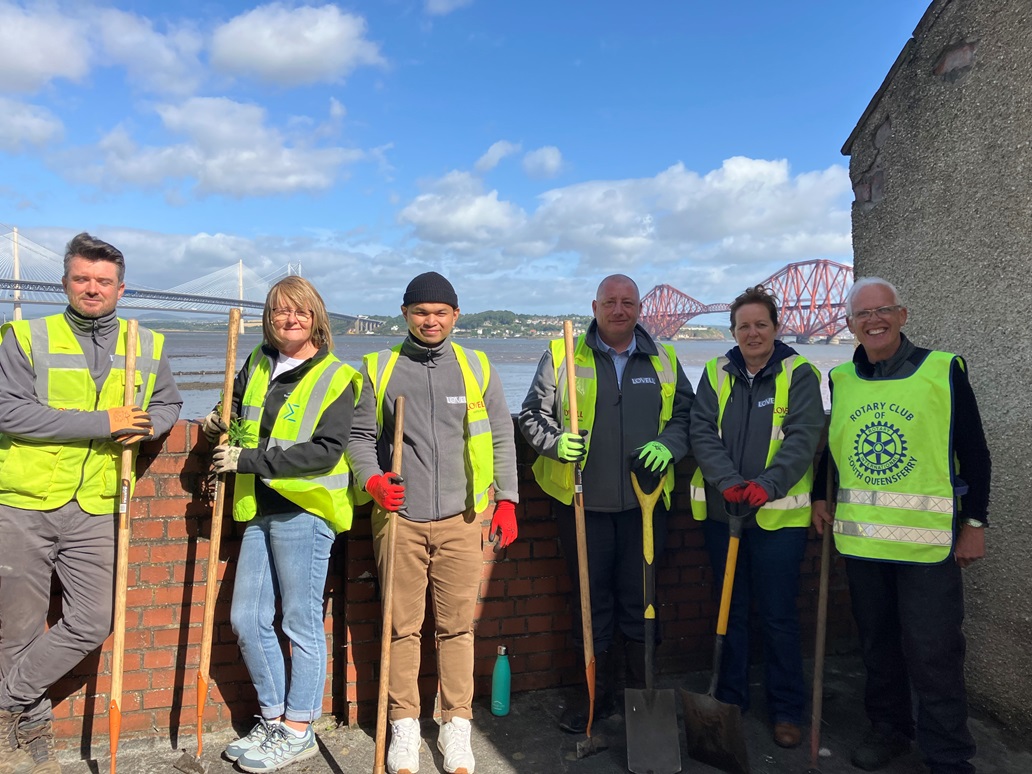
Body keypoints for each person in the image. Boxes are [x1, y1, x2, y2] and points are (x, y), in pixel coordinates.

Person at [0, 232, 182, 773]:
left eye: (103, 281)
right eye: (82, 278)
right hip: (24, 502)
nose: (92, 288)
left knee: (94, 618)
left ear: (121, 289)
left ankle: (6, 700)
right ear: (64, 283)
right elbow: (9, 412)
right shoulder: (25, 335)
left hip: (98, 504)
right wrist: (105, 423)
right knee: (19, 628)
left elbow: (169, 403)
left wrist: (146, 428)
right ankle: (25, 736)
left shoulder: (146, 343)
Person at [812, 277, 990, 774]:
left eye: (883, 310)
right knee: (878, 645)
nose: (874, 320)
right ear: (850, 325)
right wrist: (817, 497)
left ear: (902, 315)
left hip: (928, 545)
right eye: (862, 314)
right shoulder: (842, 379)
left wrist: (975, 522)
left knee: (934, 652)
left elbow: (974, 451)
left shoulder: (942, 370)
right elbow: (835, 450)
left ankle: (949, 755)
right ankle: (889, 729)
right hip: (863, 540)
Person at [347, 271, 519, 774]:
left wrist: (506, 500)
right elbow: (359, 438)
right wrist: (374, 481)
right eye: (421, 312)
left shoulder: (476, 365)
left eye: (440, 312)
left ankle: (455, 725)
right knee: (401, 627)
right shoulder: (378, 367)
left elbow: (503, 437)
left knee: (457, 627)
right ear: (404, 315)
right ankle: (403, 725)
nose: (431, 320)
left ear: (455, 316)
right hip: (398, 518)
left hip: (463, 518)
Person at [519, 273, 693, 733]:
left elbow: (686, 417)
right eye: (611, 302)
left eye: (628, 302)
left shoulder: (665, 359)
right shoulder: (563, 355)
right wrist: (556, 443)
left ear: (640, 309)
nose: (620, 310)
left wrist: (670, 446)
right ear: (595, 307)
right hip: (580, 505)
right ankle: (594, 699)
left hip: (647, 506)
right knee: (590, 606)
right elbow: (532, 415)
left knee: (641, 603)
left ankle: (640, 700)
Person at [201, 276, 361, 773]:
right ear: (268, 319)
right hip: (258, 508)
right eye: (278, 312)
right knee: (246, 619)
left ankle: (299, 729)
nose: (289, 320)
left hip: (306, 511)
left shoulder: (337, 376)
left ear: (317, 318)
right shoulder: (256, 364)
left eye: (300, 312)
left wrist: (247, 458)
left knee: (300, 622)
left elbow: (325, 450)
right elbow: (236, 414)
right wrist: (215, 420)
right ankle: (274, 718)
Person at [687, 284, 824, 749]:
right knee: (731, 611)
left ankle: (788, 710)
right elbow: (702, 430)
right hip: (723, 515)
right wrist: (727, 481)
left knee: (780, 615)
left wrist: (766, 485)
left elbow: (804, 437)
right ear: (733, 331)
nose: (752, 332)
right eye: (743, 325)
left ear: (776, 327)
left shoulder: (799, 372)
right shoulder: (715, 371)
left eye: (760, 324)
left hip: (778, 521)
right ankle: (730, 699)